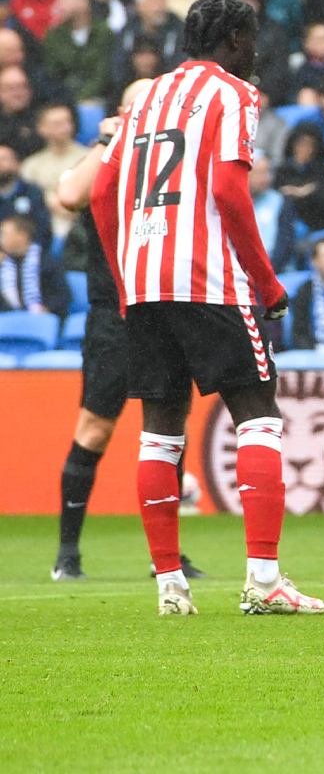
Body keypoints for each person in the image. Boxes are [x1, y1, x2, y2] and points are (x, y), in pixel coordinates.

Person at [90, 0, 324, 617]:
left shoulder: (144, 98)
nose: (256, 54)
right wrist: (267, 282)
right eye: (250, 41)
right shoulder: (234, 94)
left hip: (143, 279)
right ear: (232, 42)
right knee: (258, 415)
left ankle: (171, 586)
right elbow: (228, 188)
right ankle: (264, 581)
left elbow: (102, 193)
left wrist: (124, 277)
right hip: (206, 279)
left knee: (160, 433)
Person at [50, 90, 208, 582]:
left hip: (163, 306)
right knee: (95, 429)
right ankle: (67, 554)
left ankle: (168, 556)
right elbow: (71, 196)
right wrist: (105, 137)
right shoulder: (108, 153)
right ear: (121, 112)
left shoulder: (172, 152)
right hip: (113, 313)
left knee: (169, 430)